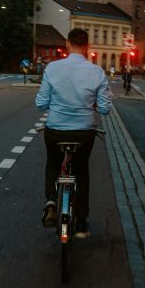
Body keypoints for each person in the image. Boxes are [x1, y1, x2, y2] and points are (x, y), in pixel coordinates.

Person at [36, 28, 113, 239]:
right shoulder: (97, 73)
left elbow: (41, 103)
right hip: (84, 133)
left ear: (68, 45)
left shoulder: (52, 68)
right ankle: (81, 222)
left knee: (53, 161)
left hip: (55, 130)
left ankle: (51, 200)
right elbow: (106, 109)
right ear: (87, 46)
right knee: (81, 170)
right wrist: (91, 104)